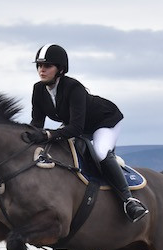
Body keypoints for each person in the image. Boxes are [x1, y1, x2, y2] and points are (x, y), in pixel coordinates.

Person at [22, 43, 148, 222]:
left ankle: (129, 201)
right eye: (39, 66)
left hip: (104, 121)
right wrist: (27, 136)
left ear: (60, 69)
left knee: (100, 152)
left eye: (47, 66)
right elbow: (37, 123)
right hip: (77, 125)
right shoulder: (38, 89)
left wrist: (48, 135)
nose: (42, 70)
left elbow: (76, 128)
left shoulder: (74, 87)